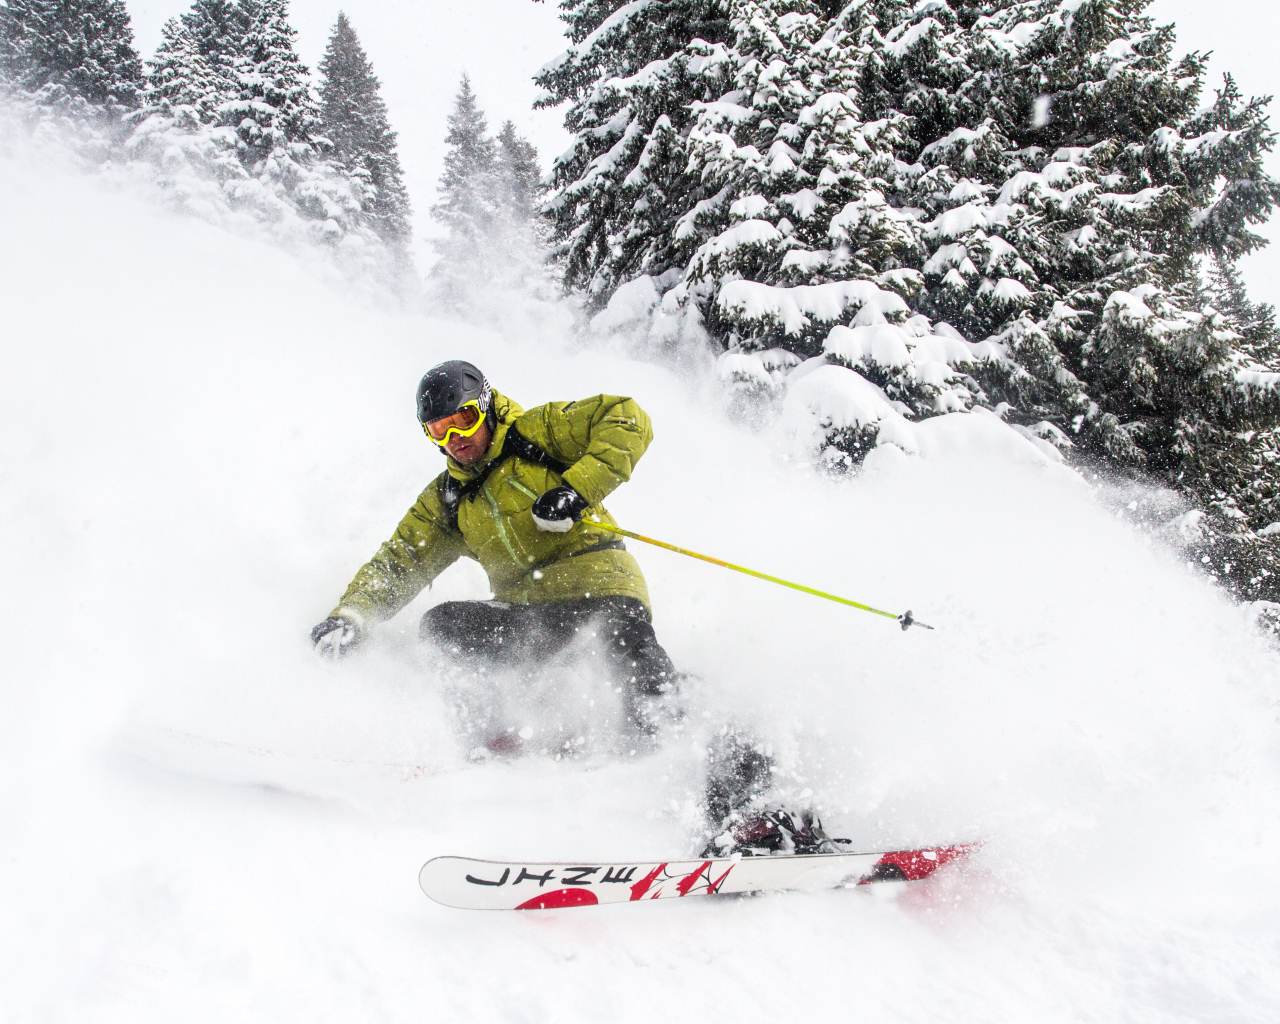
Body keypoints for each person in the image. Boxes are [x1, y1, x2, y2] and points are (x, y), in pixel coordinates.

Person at [311, 360, 843, 856]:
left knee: (646, 703)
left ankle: (761, 800)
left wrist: (575, 491)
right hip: (530, 614)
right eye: (440, 431)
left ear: (488, 407)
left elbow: (627, 418)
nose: (457, 440)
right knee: (442, 627)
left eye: (465, 420)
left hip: (599, 590)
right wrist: (350, 616)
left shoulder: (536, 434)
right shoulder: (449, 500)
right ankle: (503, 744)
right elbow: (400, 560)